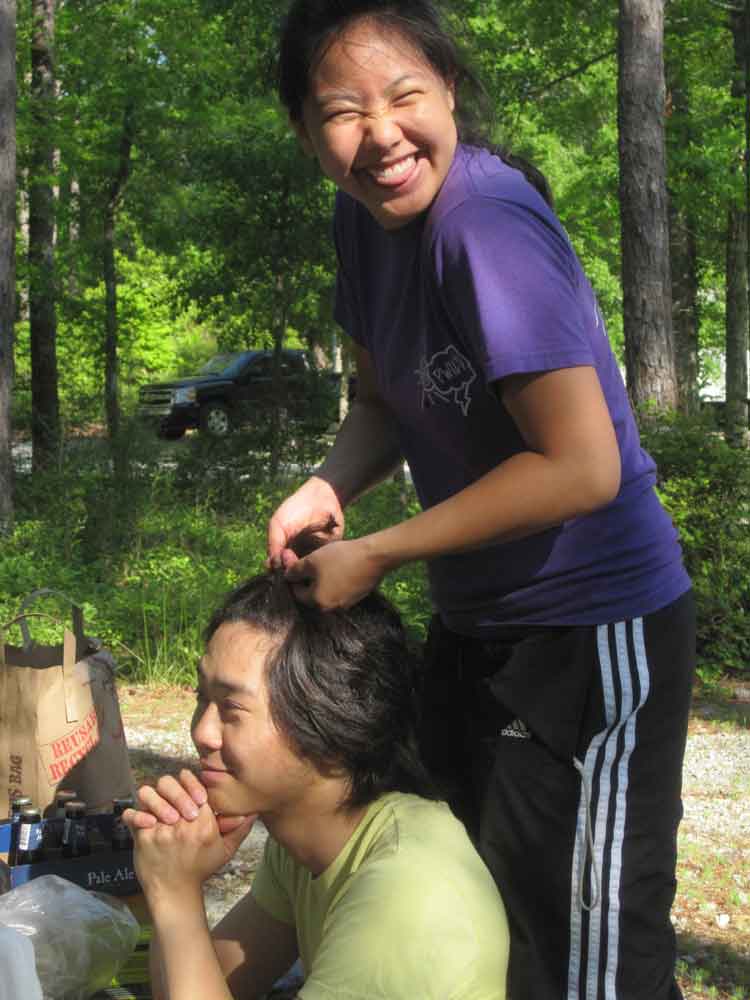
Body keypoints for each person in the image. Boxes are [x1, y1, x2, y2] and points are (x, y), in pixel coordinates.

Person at [266, 2, 696, 998]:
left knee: (593, 955)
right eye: (343, 112)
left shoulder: (484, 225)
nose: (382, 135)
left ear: (450, 89)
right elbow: (382, 400)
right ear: (305, 131)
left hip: (595, 630)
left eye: (405, 96)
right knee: (492, 915)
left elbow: (581, 468)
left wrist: (379, 552)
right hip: (480, 624)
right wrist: (328, 484)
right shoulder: (363, 218)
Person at [123, 574, 510, 1000]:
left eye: (231, 708)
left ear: (333, 719)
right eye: (202, 697)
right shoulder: (307, 839)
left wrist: (174, 895)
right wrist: (171, 881)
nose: (202, 732)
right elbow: (211, 980)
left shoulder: (408, 895)